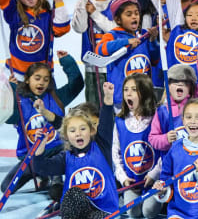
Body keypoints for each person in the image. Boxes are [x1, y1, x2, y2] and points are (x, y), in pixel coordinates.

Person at [1, 51, 83, 199]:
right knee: (6, 187)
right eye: (37, 78)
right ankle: (40, 174)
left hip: (55, 154)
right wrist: (10, 91)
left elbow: (77, 84)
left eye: (46, 79)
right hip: (31, 156)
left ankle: (54, 177)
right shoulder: (19, 102)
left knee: (56, 193)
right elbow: (6, 117)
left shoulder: (56, 97)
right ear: (27, 80)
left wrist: (67, 61)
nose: (41, 83)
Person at [33, 82, 117, 218]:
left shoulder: (102, 146)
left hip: (103, 208)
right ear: (66, 135)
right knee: (72, 194)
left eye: (82, 129)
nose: (78, 133)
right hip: (79, 210)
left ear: (91, 130)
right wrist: (40, 148)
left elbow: (107, 121)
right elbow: (41, 168)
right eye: (73, 130)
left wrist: (108, 98)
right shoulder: (65, 158)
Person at [153, 98, 198, 219]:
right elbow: (166, 180)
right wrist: (162, 189)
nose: (193, 121)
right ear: (183, 120)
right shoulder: (175, 149)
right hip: (179, 211)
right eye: (188, 117)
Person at [0, 0, 70, 80]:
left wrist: (59, 2)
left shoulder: (47, 15)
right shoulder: (14, 12)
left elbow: (61, 29)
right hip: (17, 75)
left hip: (42, 75)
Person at [95, 0, 158, 110]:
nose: (134, 17)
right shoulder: (113, 35)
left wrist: (153, 41)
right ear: (118, 19)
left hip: (145, 96)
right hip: (123, 100)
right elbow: (100, 49)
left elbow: (155, 60)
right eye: (129, 14)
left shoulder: (144, 35)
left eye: (136, 13)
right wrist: (126, 42)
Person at [112, 74, 162, 219]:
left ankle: (162, 196)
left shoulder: (156, 117)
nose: (128, 93)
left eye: (134, 89)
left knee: (148, 212)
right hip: (132, 181)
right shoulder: (120, 121)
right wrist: (123, 178)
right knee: (133, 213)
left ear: (145, 92)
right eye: (125, 89)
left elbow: (165, 152)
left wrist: (154, 174)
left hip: (153, 180)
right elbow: (115, 153)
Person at [149, 56, 198, 152]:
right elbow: (153, 138)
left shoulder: (196, 103)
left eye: (185, 82)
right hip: (172, 162)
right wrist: (166, 139)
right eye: (174, 82)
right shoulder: (161, 112)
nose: (180, 84)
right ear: (167, 86)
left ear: (191, 87)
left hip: (195, 158)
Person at [71, 0, 116, 109]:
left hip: (114, 66)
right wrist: (83, 1)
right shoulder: (84, 2)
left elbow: (115, 30)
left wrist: (95, 13)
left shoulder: (116, 2)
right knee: (94, 109)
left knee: (116, 108)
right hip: (92, 67)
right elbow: (79, 28)